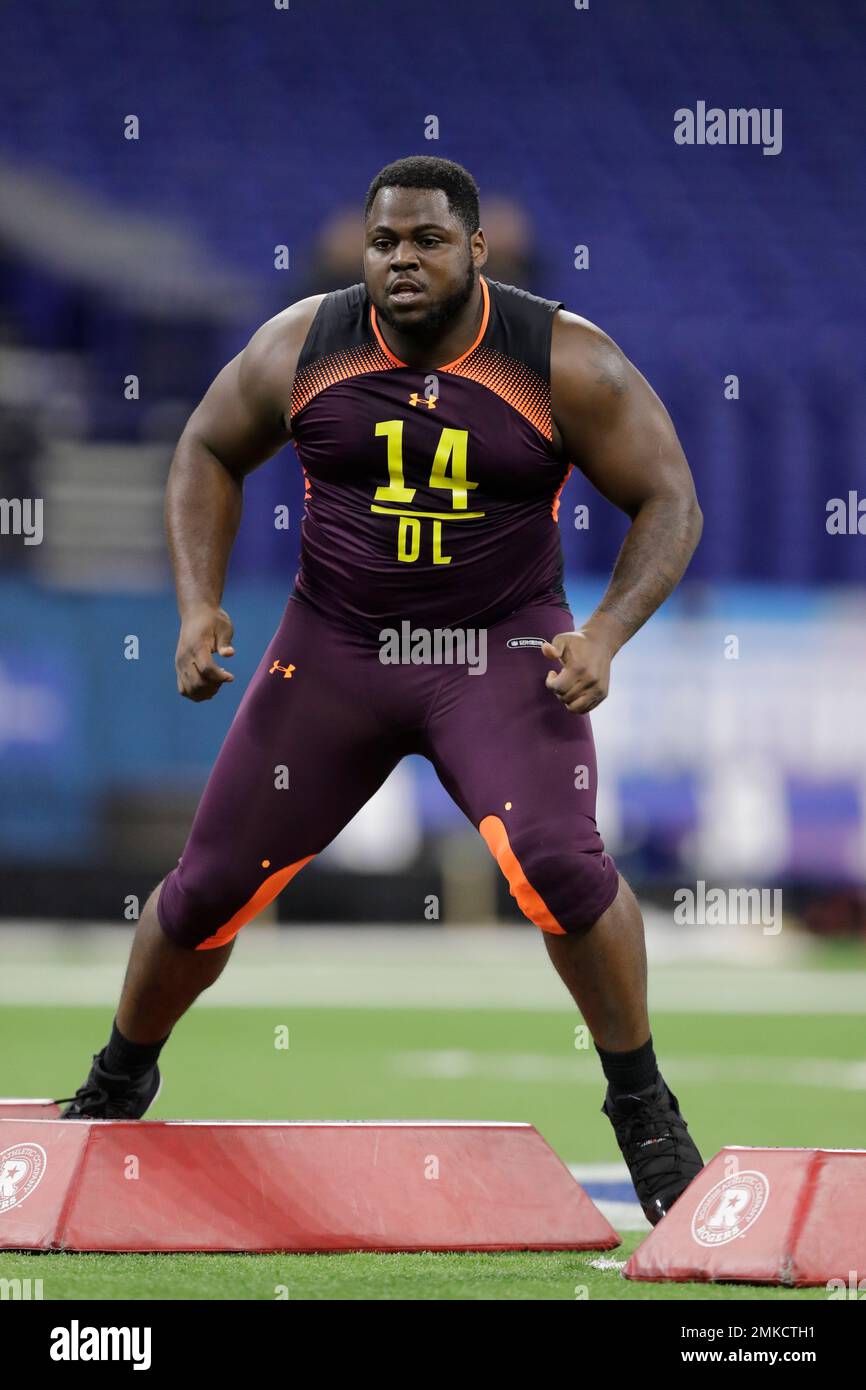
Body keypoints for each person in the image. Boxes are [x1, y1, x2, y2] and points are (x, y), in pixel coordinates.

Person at [60, 155, 704, 1226]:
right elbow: (207, 449)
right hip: (338, 652)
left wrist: (604, 632)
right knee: (207, 886)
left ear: (477, 251)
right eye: (384, 242)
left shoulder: (559, 355)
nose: (401, 260)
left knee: (560, 864)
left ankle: (642, 1105)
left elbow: (668, 499)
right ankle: (119, 1079)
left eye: (427, 241)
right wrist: (196, 602)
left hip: (496, 651)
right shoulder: (305, 342)